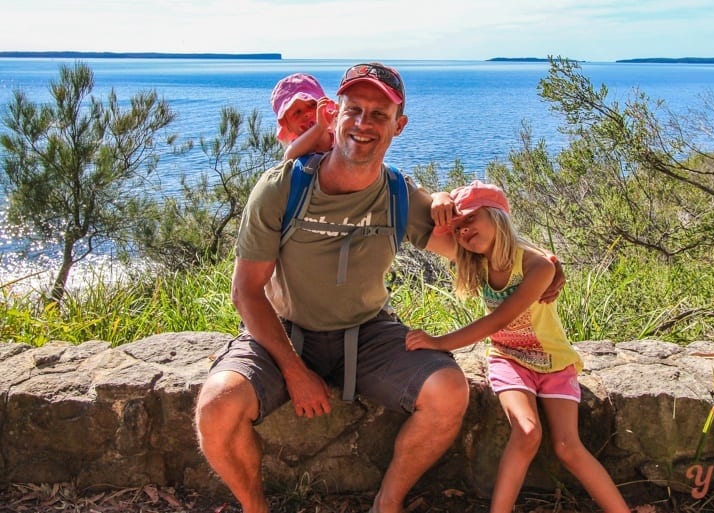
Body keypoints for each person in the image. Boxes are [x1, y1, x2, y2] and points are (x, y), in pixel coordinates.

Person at [195, 63, 565, 513]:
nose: (363, 124)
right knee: (216, 405)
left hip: (368, 333)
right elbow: (246, 293)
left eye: (378, 114)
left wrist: (539, 260)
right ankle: (256, 507)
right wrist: (294, 371)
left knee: (449, 391)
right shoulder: (281, 189)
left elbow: (477, 245)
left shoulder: (398, 196)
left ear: (399, 125)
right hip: (283, 332)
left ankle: (386, 504)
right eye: (354, 110)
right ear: (333, 116)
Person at [407, 181, 630, 513]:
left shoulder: (538, 265)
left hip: (555, 363)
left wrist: (438, 342)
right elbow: (417, 225)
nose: (465, 230)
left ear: (497, 216)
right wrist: (440, 197)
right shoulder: (472, 257)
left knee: (569, 447)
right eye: (459, 225)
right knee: (527, 432)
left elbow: (497, 321)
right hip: (508, 360)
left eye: (471, 219)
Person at [269, 72, 336, 160]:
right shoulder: (297, 147)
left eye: (312, 105)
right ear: (287, 125)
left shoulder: (338, 136)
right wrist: (319, 127)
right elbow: (289, 156)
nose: (307, 113)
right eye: (297, 112)